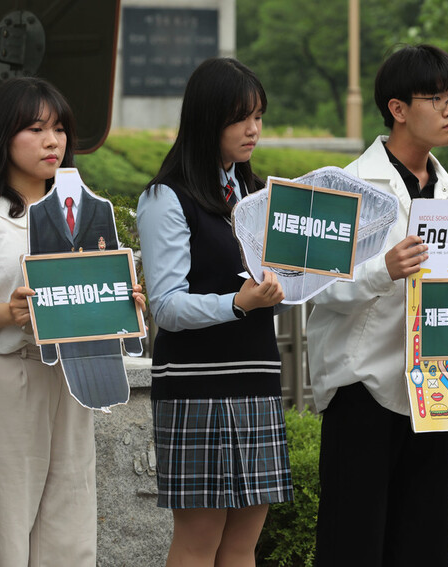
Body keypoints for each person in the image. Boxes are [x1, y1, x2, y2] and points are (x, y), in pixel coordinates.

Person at [305, 44, 448, 566]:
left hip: (437, 392)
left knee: (424, 543)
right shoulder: (344, 185)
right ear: (398, 109)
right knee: (353, 543)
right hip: (362, 386)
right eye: (437, 98)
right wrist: (385, 268)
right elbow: (315, 287)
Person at [0, 76, 144, 567]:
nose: (51, 140)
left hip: (74, 378)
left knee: (70, 526)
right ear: (3, 135)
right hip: (4, 378)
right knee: (2, 527)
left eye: (59, 129)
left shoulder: (84, 213)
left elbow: (94, 290)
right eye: (35, 129)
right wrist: (6, 313)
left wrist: (124, 302)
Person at [136, 57, 293, 567]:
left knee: (244, 541)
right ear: (207, 120)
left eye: (259, 116)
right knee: (199, 540)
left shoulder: (258, 195)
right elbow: (166, 305)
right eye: (240, 118)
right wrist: (237, 303)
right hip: (196, 385)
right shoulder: (167, 197)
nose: (253, 130)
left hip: (257, 374)